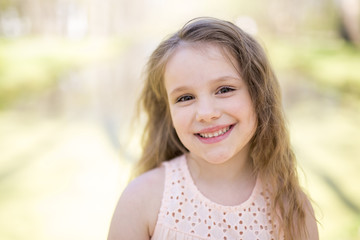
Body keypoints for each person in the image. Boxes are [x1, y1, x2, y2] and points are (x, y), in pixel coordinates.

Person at [108, 17, 319, 240]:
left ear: (258, 95)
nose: (206, 113)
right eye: (185, 97)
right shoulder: (143, 200)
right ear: (168, 111)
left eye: (224, 89)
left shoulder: (292, 211)